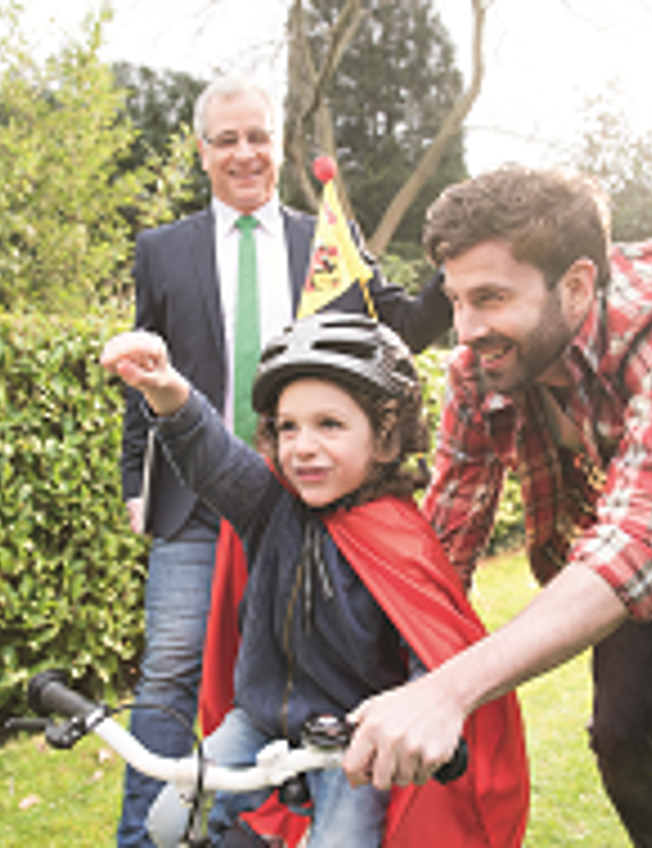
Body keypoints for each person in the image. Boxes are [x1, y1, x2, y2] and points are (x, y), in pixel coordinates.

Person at [342, 164, 652, 847]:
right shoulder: (478, 370)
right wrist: (375, 662)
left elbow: (636, 549)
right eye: (455, 299)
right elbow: (449, 536)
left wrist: (449, 691)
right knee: (619, 733)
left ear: (578, 284)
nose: (464, 330)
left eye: (489, 298)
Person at [117, 74, 452, 846]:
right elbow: (143, 376)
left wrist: (459, 266)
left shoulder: (323, 239)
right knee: (169, 672)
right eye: (226, 139)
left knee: (333, 649)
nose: (244, 152)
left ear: (279, 146)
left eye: (258, 136)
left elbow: (400, 321)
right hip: (205, 498)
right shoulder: (160, 251)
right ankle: (145, 841)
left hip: (316, 499)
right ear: (202, 152)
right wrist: (136, 478)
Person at [103, 312, 529, 848]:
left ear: (385, 440)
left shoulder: (402, 542)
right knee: (170, 824)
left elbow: (428, 655)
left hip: (348, 744)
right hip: (256, 720)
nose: (302, 446)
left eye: (329, 424)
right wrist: (168, 392)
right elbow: (211, 457)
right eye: (288, 426)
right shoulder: (269, 506)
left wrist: (429, 714)